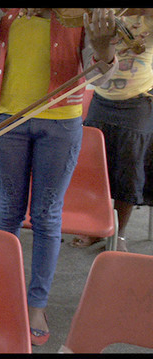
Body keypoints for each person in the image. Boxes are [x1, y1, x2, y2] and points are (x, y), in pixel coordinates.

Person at [0, 8, 118, 346]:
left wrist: (103, 49)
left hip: (61, 122)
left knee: (46, 214)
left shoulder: (76, 12)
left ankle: (36, 304)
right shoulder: (6, 12)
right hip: (7, 120)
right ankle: (2, 293)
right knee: (7, 211)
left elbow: (100, 77)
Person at [72, 9, 153, 252]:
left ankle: (121, 232)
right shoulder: (105, 14)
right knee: (96, 169)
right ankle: (98, 226)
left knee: (129, 171)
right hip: (101, 99)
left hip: (138, 101)